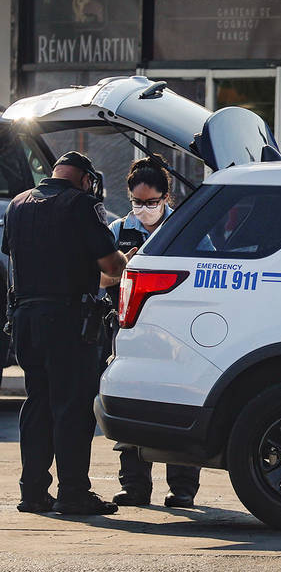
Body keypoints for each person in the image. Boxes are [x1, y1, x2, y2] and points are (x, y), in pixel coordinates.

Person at [2, 151, 126, 515]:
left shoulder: (19, 204)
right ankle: (73, 493)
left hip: (25, 318)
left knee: (37, 402)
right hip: (68, 320)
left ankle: (33, 492)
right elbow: (110, 264)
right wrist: (127, 260)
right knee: (71, 406)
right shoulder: (81, 204)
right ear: (85, 178)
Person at [101, 157, 201, 509]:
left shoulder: (185, 229)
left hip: (176, 333)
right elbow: (98, 280)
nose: (143, 209)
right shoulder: (117, 231)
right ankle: (134, 486)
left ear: (165, 198)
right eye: (136, 202)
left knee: (178, 404)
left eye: (150, 202)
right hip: (129, 331)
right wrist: (123, 268)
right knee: (130, 406)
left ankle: (183, 488)